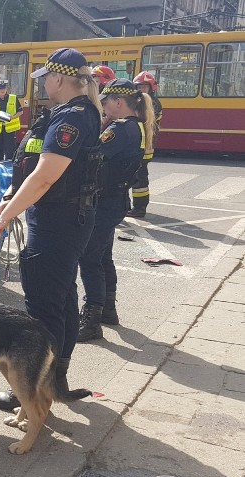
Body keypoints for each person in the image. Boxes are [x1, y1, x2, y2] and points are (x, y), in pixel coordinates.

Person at [0, 48, 103, 412]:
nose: (43, 86)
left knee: (42, 311)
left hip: (56, 224)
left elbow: (45, 177)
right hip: (62, 221)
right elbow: (32, 167)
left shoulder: (72, 118)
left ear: (58, 79)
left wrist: (5, 218)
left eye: (46, 79)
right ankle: (53, 383)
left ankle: (35, 395)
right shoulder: (75, 113)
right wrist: (11, 198)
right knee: (61, 300)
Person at [76, 79, 156, 341]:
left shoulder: (120, 129)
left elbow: (93, 155)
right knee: (102, 256)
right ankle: (108, 309)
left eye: (106, 101)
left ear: (118, 102)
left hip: (105, 201)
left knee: (90, 258)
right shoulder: (134, 127)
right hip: (115, 200)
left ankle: (92, 318)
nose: (103, 105)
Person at [127, 71, 163, 218]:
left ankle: (139, 208)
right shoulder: (143, 101)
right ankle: (136, 206)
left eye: (144, 87)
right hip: (141, 144)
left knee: (139, 178)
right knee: (136, 176)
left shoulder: (150, 103)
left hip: (144, 146)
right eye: (139, 86)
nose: (141, 89)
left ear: (151, 88)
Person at [0, 79, 23, 161]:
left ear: (7, 89)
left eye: (4, 88)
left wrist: (11, 117)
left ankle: (9, 169)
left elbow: (20, 112)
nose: (2, 90)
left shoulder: (13, 98)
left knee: (10, 152)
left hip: (9, 131)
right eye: (0, 88)